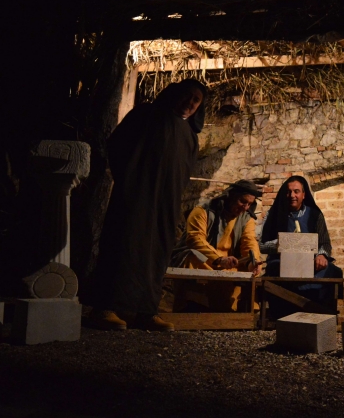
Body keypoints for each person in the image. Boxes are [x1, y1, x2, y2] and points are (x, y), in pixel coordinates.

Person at [89, 79, 207, 331]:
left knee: (156, 254)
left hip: (165, 206)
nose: (190, 102)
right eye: (187, 96)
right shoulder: (145, 115)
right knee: (124, 246)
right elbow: (118, 146)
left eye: (196, 100)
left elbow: (183, 173)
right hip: (135, 198)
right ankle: (105, 307)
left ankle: (146, 311)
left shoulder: (190, 136)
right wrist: (130, 181)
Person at [170, 179, 262, 312]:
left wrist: (253, 261)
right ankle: (193, 307)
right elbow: (195, 239)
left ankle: (239, 312)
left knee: (250, 269)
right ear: (230, 196)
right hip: (206, 258)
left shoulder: (246, 219)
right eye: (242, 201)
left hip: (229, 262)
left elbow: (250, 242)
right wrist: (219, 259)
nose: (245, 207)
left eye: (249, 204)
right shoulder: (202, 211)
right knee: (194, 259)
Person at [260, 176, 343, 318]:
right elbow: (262, 245)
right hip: (281, 262)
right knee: (274, 269)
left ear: (303, 195)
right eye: (289, 192)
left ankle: (322, 314)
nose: (292, 195)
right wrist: (281, 244)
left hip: (310, 264)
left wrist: (322, 255)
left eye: (296, 191)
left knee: (333, 271)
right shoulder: (273, 215)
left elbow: (324, 243)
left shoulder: (315, 215)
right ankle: (281, 314)